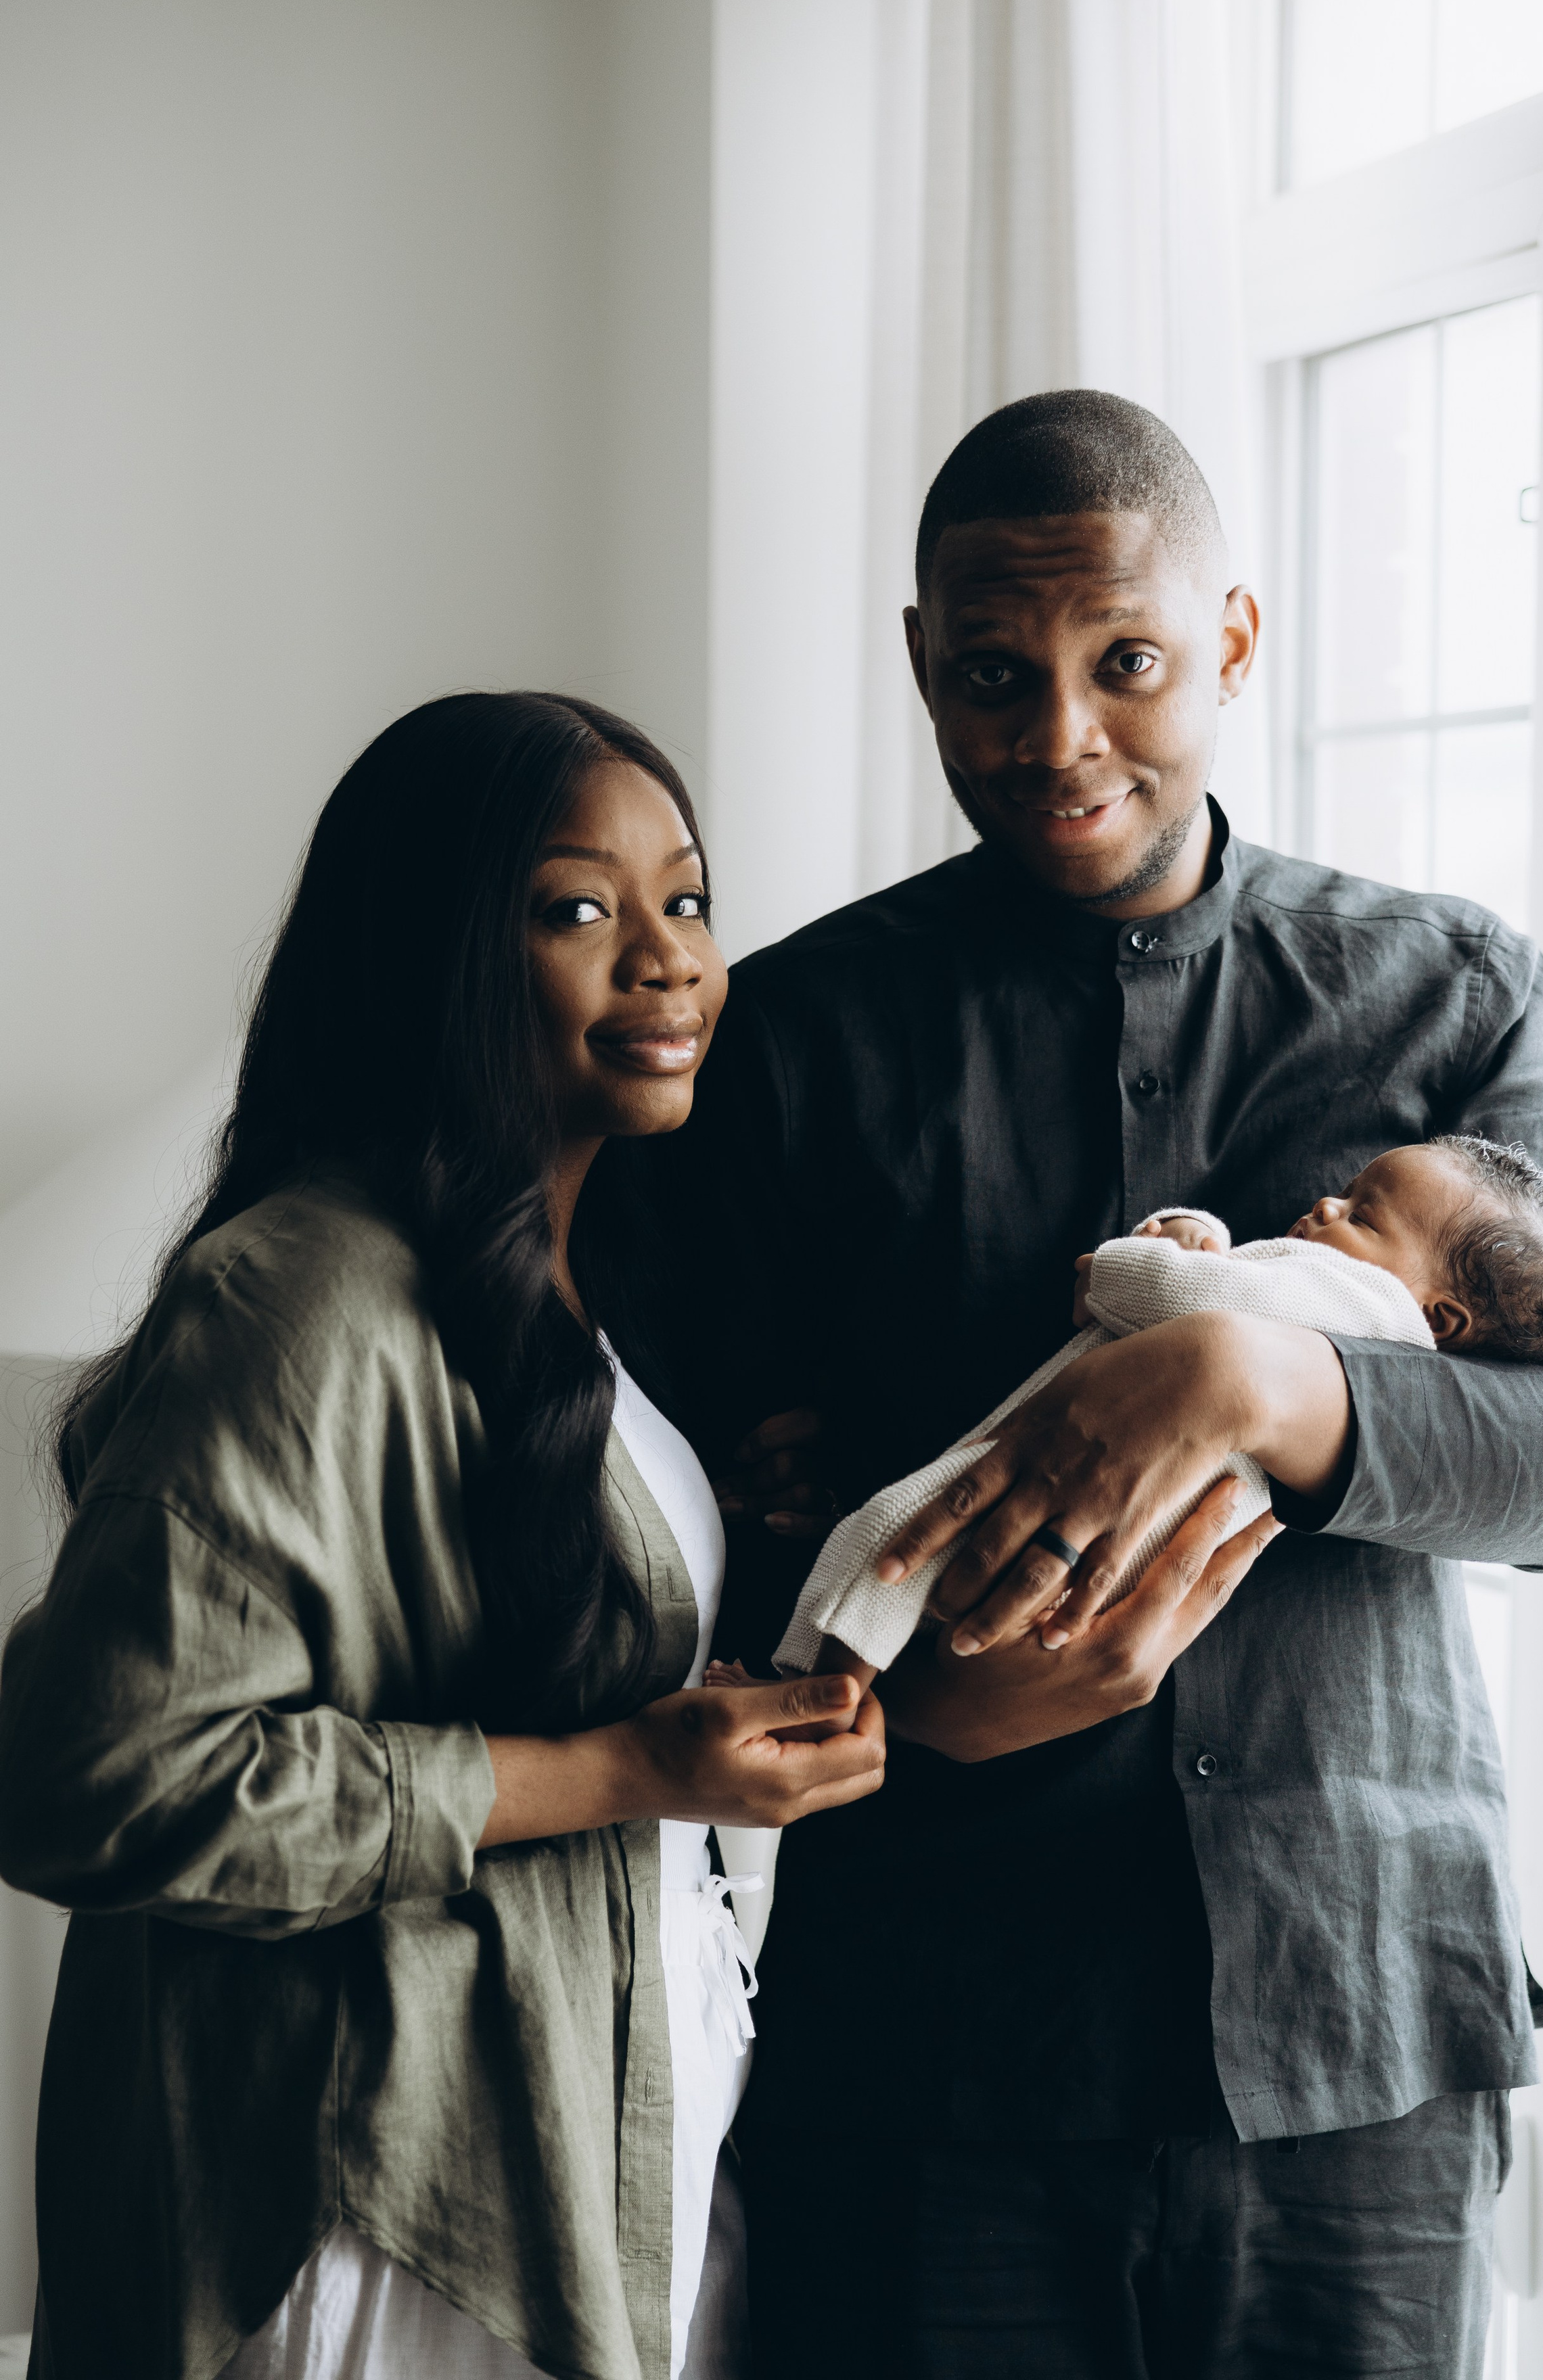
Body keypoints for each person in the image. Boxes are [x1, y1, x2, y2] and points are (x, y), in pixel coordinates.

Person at [633, 391, 1543, 2379]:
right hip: (925, 2044)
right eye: (990, 674)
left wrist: (1252, 1379)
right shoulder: (784, 1041)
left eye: (1123, 662)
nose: (1056, 736)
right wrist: (896, 1701)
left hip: (1360, 2035)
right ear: (919, 663)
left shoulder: (1454, 996)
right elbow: (671, 1519)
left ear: (1234, 642)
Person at [0, 692, 892, 2380]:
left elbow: (461, 1632)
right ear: (434, 956)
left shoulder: (572, 1296)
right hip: (384, 2205)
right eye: (578, 909)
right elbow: (97, 1773)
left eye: (687, 899)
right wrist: (624, 1767)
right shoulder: (306, 1292)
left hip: (588, 2137)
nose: (669, 960)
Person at [758, 1135, 1543, 1688]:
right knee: (919, 1586)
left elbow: (1184, 1300)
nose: (1325, 1207)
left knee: (887, 1542)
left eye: (1362, 1215)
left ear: (1437, 1318)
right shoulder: (1358, 1317)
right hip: (1121, 1547)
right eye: (1343, 1194)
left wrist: (1112, 1270)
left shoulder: (1360, 1302)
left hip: (1067, 1501)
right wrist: (1192, 1231)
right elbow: (1229, 1285)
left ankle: (808, 1695)